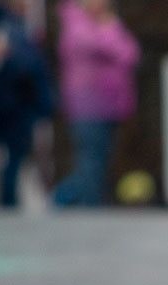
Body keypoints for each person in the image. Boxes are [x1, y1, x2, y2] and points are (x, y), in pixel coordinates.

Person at [52, 0, 139, 207]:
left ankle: (85, 204)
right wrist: (109, 28)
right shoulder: (75, 23)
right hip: (87, 105)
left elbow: (130, 54)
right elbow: (100, 45)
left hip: (110, 105)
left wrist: (110, 28)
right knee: (90, 160)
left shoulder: (102, 24)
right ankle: (78, 205)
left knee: (99, 161)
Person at [0, 0, 53, 207]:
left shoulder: (11, 25)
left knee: (13, 157)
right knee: (12, 156)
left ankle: (8, 200)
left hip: (13, 102)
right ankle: (7, 202)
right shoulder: (8, 26)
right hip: (14, 103)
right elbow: (23, 65)